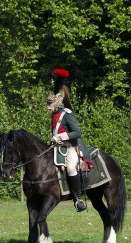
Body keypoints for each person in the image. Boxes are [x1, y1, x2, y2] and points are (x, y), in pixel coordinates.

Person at [46, 68, 86, 212]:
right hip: (56, 148)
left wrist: (60, 137)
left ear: (57, 102)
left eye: (50, 103)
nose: (47, 105)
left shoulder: (67, 114)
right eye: (47, 102)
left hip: (70, 148)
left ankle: (77, 199)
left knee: (70, 168)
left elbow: (77, 132)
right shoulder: (54, 116)